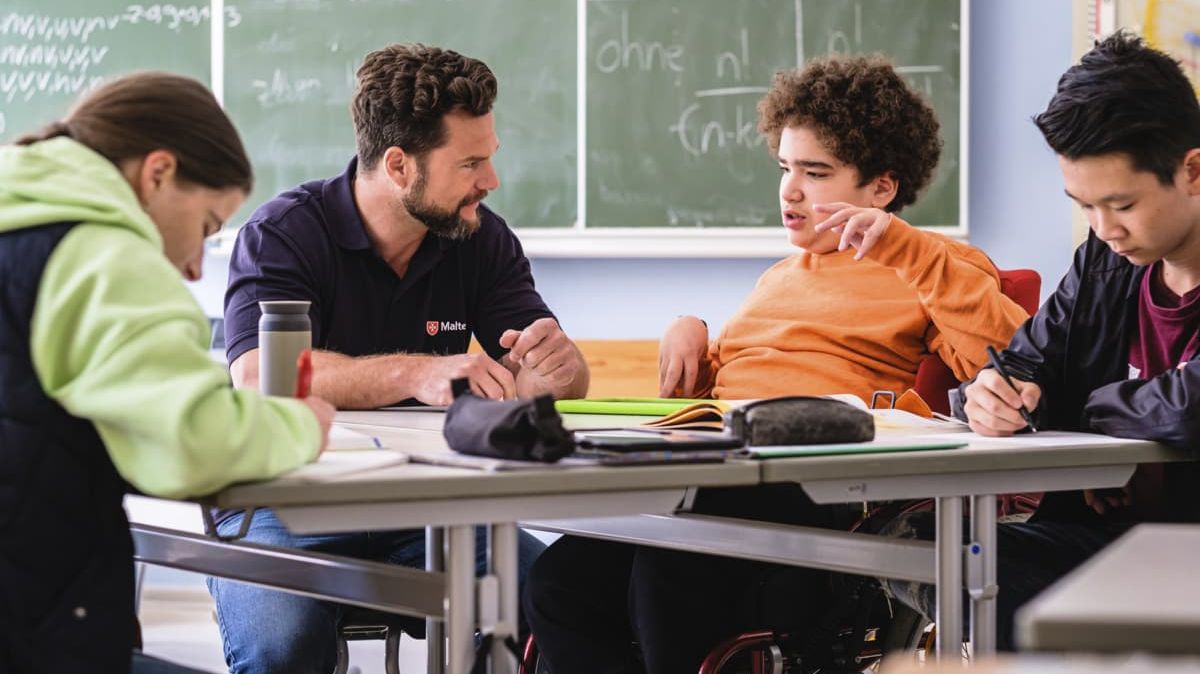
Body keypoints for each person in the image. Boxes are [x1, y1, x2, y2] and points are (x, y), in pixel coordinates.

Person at [524, 54, 1028, 673]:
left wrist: (917, 258)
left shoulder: (935, 263)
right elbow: (744, 382)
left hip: (814, 493)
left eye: (815, 173)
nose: (789, 190)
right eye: (786, 167)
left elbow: (1014, 362)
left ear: (882, 188)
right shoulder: (780, 276)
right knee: (557, 581)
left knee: (668, 568)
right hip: (716, 469)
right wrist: (695, 341)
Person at [209, 44, 587, 674]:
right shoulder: (282, 234)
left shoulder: (479, 237)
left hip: (428, 507)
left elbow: (549, 372)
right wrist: (418, 371)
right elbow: (257, 379)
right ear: (398, 165)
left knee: (557, 603)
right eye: (471, 163)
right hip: (283, 505)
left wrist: (558, 370)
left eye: (490, 158)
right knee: (282, 650)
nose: (490, 181)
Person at [0, 72, 334, 674]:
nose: (189, 268)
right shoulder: (99, 254)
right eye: (206, 228)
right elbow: (193, 443)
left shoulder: (18, 216)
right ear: (156, 174)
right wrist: (300, 425)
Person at [885, 30, 1200, 650]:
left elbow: (1190, 404)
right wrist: (990, 394)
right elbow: (1023, 365)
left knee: (989, 580)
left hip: (1186, 545)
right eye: (1084, 206)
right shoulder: (1102, 266)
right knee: (926, 544)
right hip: (1112, 542)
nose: (1104, 229)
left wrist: (1093, 410)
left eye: (1122, 204)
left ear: (1193, 169)